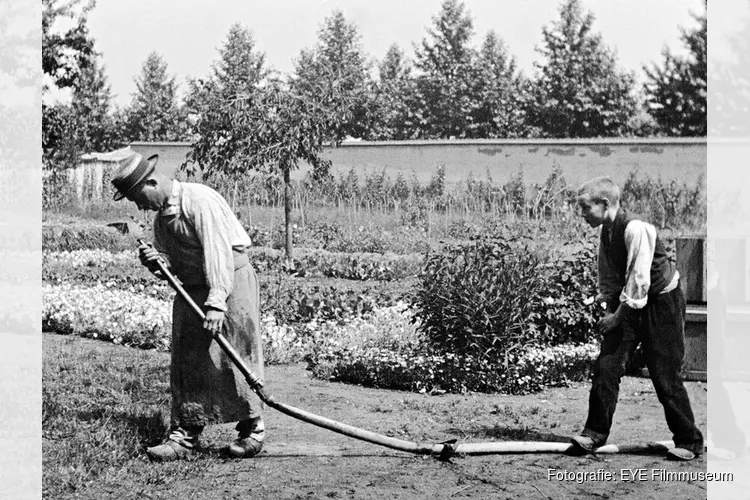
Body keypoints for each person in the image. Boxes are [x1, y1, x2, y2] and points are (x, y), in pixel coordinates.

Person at [111, 152, 266, 462]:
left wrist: (217, 302)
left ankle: (253, 430)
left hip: (230, 283)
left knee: (234, 354)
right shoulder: (160, 218)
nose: (139, 206)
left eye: (137, 197)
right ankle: (185, 434)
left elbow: (218, 253)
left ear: (152, 182)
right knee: (187, 358)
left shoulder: (200, 200)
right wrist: (156, 263)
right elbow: (169, 261)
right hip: (191, 287)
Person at [570, 176, 704, 461]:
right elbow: (609, 277)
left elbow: (639, 280)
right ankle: (594, 434)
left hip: (661, 301)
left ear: (605, 205)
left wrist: (617, 318)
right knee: (607, 365)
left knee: (664, 373)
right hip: (629, 301)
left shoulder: (636, 228)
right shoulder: (606, 231)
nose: (581, 215)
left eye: (585, 208)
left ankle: (689, 441)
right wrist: (611, 312)